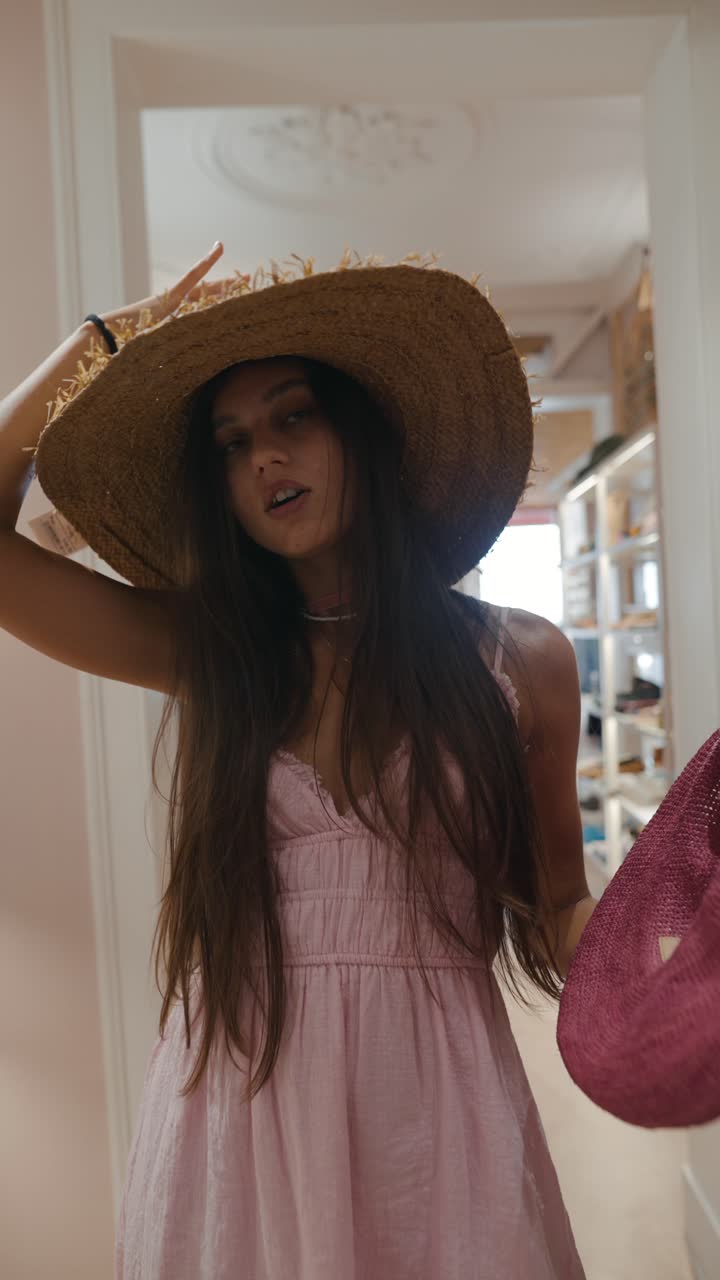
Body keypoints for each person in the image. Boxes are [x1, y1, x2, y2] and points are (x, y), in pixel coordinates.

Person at [0, 242, 596, 1278]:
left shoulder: (520, 660)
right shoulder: (213, 653)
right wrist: (101, 341)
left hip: (441, 1107)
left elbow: (559, 901)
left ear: (363, 433)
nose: (265, 459)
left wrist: (667, 966)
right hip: (243, 1104)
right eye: (231, 445)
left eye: (294, 417)